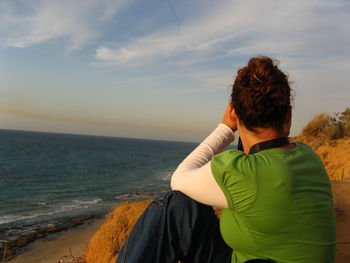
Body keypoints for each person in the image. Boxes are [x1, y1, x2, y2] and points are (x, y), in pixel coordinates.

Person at [116, 56, 336, 263]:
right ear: (287, 116)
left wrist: (225, 128)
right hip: (263, 254)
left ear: (235, 114)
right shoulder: (309, 157)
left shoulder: (242, 171)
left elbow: (179, 179)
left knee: (174, 205)